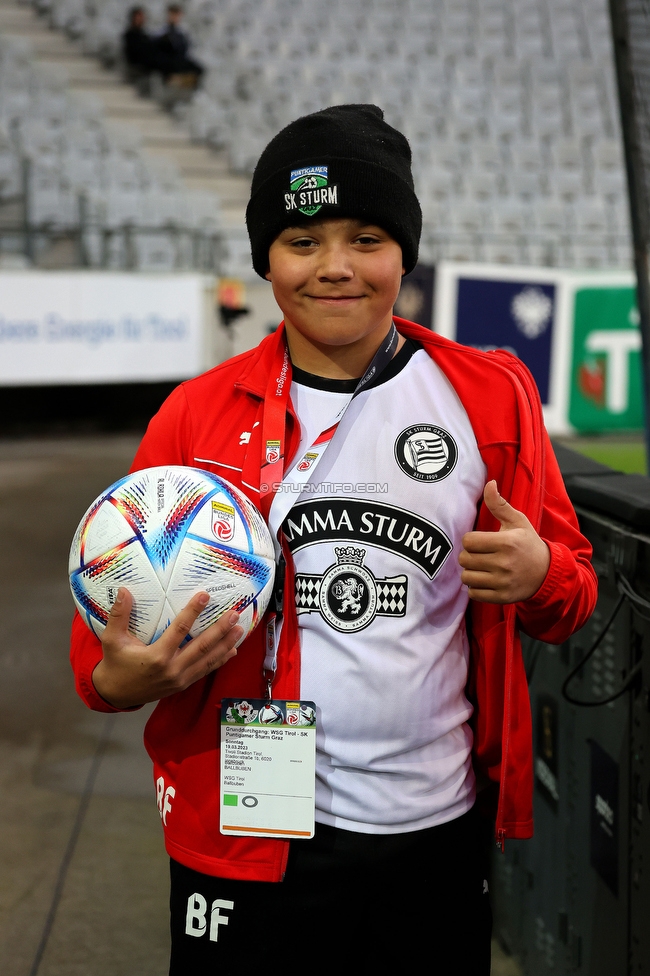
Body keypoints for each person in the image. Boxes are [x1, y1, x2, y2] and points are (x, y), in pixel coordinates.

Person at [70, 105, 598, 974]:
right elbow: (99, 637)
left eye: (367, 238)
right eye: (302, 241)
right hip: (248, 827)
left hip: (433, 825)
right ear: (266, 260)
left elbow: (570, 595)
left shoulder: (489, 397)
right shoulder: (194, 414)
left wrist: (540, 572)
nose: (337, 268)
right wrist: (113, 681)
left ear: (404, 253)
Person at [153, 4, 204, 83]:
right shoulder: (161, 32)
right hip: (167, 63)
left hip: (180, 61)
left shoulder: (182, 33)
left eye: (176, 15)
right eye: (172, 15)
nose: (174, 18)